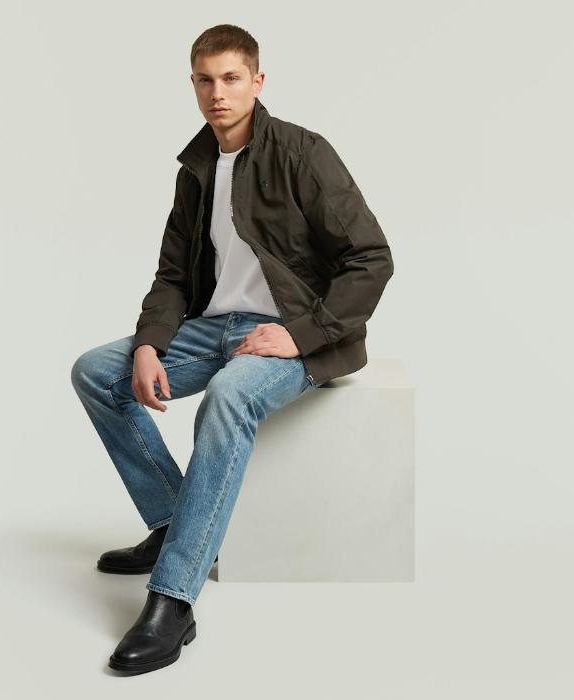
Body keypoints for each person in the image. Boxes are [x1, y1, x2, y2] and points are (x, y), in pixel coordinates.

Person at [71, 23, 394, 675]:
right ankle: (177, 526)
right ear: (192, 85)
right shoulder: (196, 168)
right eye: (205, 80)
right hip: (214, 327)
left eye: (231, 78)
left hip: (292, 336)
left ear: (257, 81)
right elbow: (172, 274)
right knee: (96, 372)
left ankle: (173, 599)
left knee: (226, 397)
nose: (218, 92)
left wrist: (301, 334)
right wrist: (149, 344)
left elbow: (371, 257)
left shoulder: (302, 153)